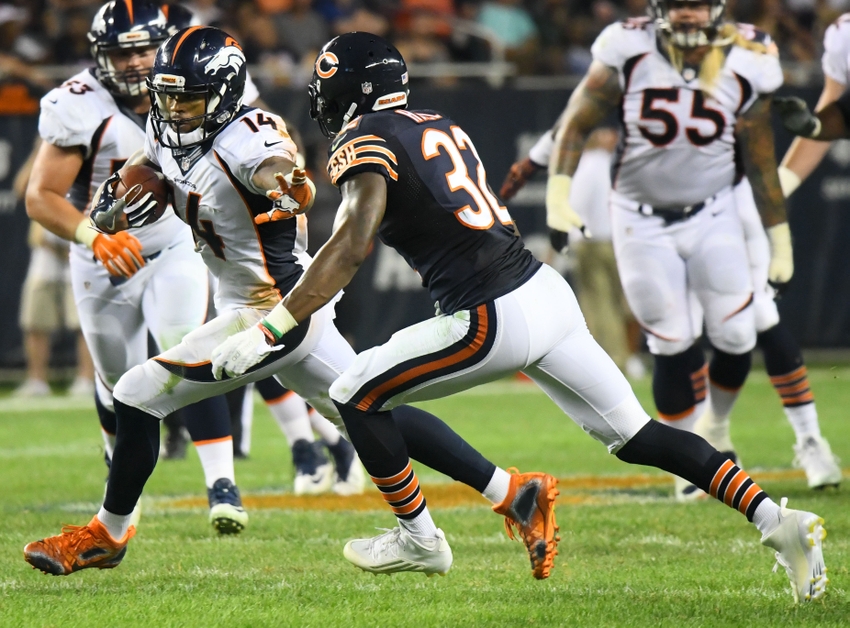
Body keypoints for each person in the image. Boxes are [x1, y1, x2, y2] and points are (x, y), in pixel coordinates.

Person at [211, 31, 825, 601]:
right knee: (637, 435)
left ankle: (420, 539)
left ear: (348, 89)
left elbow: (349, 246)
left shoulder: (363, 137)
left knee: (354, 393)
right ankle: (778, 520)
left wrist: (274, 327)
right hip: (544, 293)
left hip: (490, 311)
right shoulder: (436, 122)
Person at [23, 26, 559, 583]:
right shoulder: (167, 129)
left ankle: (107, 534)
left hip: (274, 310)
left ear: (226, 93)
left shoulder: (248, 138)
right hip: (269, 303)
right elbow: (149, 164)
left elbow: (282, 173)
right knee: (364, 412)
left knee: (134, 395)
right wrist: (114, 202)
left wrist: (291, 186)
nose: (175, 109)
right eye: (167, 94)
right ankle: (512, 493)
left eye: (189, 97)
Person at [23, 0, 245, 535]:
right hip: (101, 255)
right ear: (101, 56)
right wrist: (92, 237)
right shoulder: (75, 104)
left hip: (172, 244)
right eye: (122, 53)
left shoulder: (193, 84)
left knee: (186, 348)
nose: (136, 62)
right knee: (117, 380)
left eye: (145, 48)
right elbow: (41, 196)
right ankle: (118, 478)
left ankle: (222, 483)